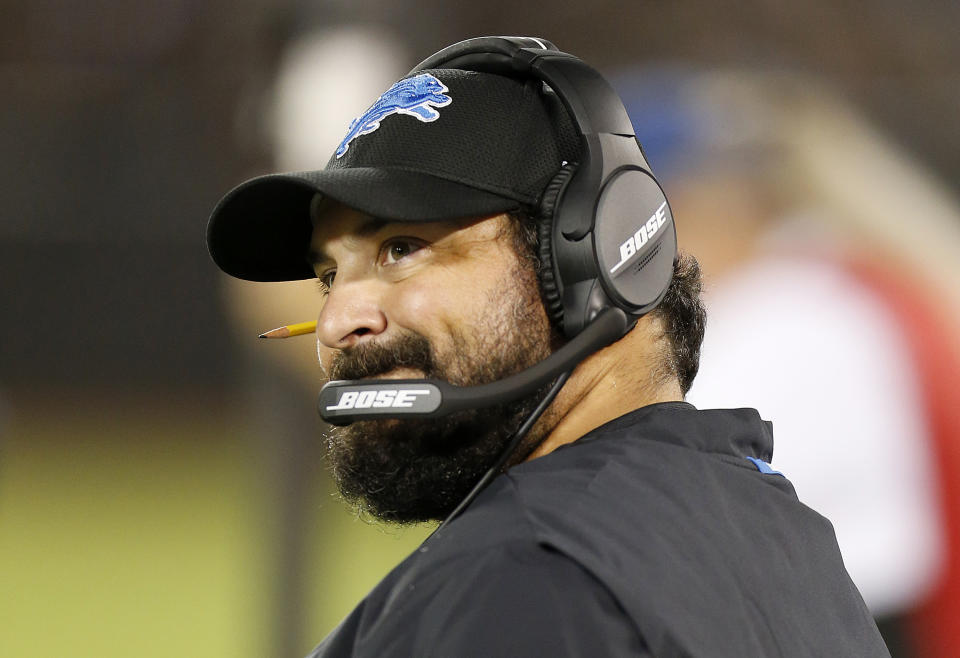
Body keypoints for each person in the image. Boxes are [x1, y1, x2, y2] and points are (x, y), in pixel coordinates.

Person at [206, 37, 888, 657]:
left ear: (593, 257)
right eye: (329, 279)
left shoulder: (517, 581)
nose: (335, 322)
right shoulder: (778, 532)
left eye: (401, 249)